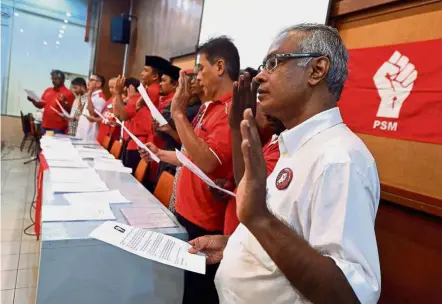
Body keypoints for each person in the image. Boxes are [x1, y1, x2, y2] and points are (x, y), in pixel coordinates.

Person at [189, 24, 381, 304]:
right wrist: (238, 245)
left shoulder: (340, 159)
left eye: (274, 63)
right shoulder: (293, 145)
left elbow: (348, 293)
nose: (260, 78)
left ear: (317, 70)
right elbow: (291, 235)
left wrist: (258, 219)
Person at [141, 37, 240, 304]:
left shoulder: (232, 110)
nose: (197, 76)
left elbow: (208, 162)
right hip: (185, 210)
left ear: (220, 67)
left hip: (204, 221)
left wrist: (178, 112)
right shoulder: (209, 106)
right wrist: (162, 154)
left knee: (197, 294)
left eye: (201, 69)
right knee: (182, 289)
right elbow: (192, 155)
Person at [113, 76, 155, 175]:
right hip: (133, 144)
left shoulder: (135, 99)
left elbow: (122, 116)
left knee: (128, 178)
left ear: (128, 88)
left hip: (137, 146)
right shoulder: (132, 99)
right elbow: (116, 114)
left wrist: (118, 94)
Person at [27, 70, 75, 134]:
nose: (54, 80)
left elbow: (72, 112)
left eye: (56, 79)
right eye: (52, 78)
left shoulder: (68, 93)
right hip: (45, 125)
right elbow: (41, 105)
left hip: (58, 128)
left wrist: (65, 104)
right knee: (45, 144)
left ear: (63, 80)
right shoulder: (48, 90)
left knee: (55, 144)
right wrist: (33, 101)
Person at [75, 74, 107, 141]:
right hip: (82, 131)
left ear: (98, 84)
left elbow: (93, 114)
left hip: (89, 133)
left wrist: (89, 96)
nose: (88, 82)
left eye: (91, 80)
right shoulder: (92, 95)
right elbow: (85, 113)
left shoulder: (100, 97)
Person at [96, 77, 120, 145]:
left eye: (113, 87)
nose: (111, 90)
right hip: (102, 135)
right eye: (110, 87)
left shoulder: (122, 100)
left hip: (112, 137)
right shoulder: (110, 99)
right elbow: (104, 115)